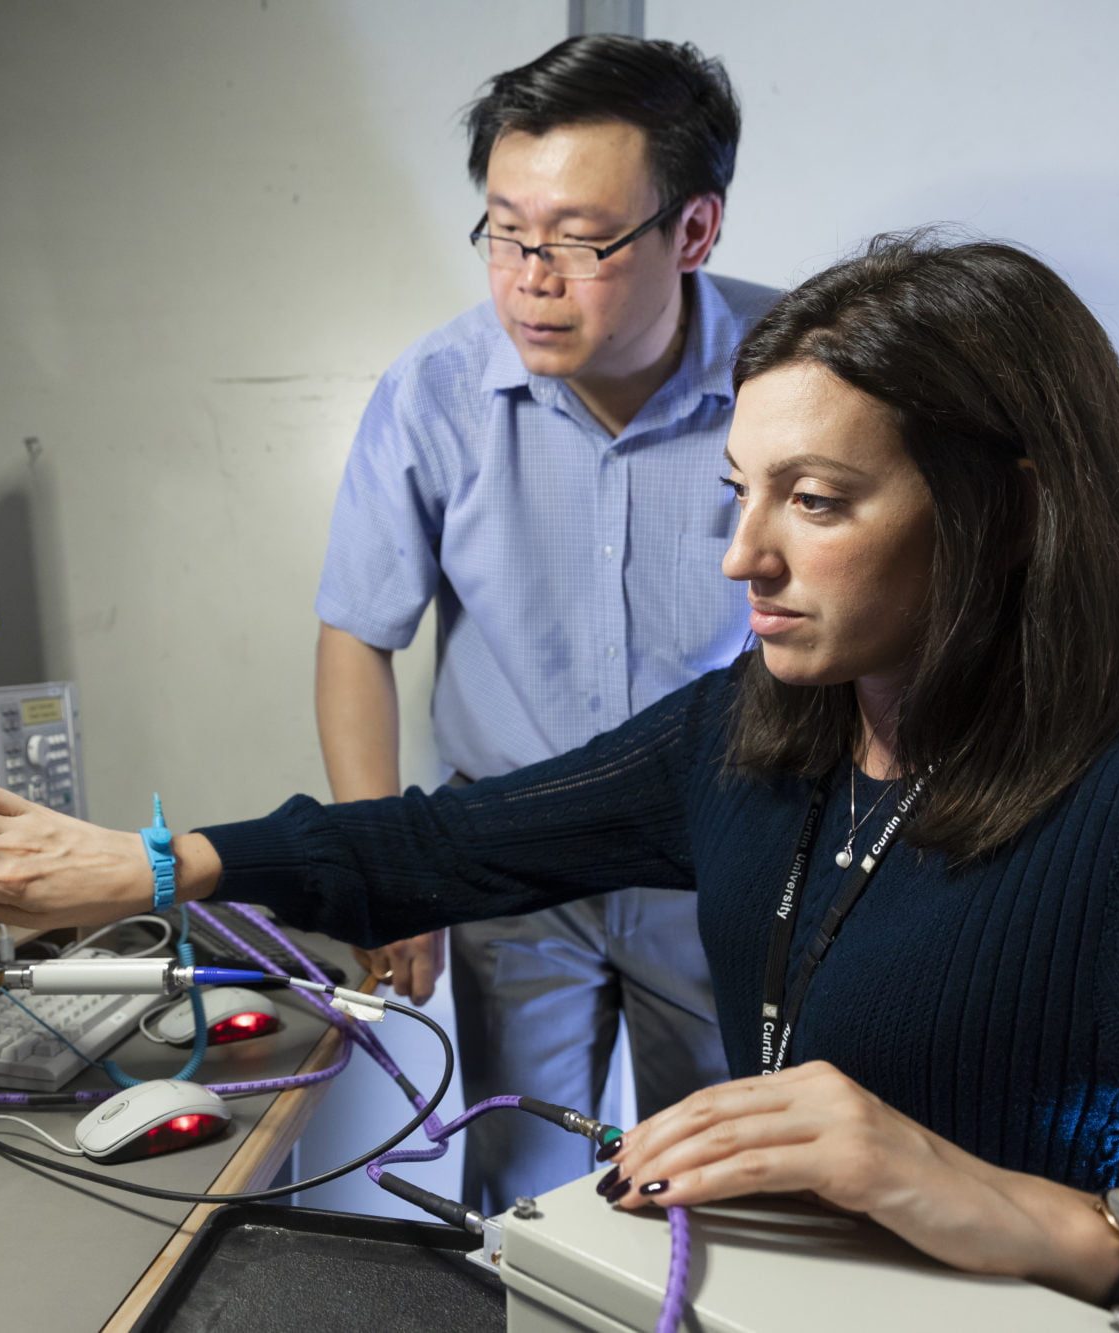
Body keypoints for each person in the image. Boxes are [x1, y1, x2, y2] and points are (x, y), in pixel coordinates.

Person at [0, 236, 1119, 1331]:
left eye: (814, 503)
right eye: (737, 493)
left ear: (1008, 513)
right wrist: (158, 863)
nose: (741, 557)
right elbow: (463, 836)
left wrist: (1072, 1233)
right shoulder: (767, 729)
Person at [313, 33, 779, 1213]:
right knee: (519, 1193)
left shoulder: (795, 375)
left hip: (721, 855)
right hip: (510, 862)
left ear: (693, 230)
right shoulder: (432, 391)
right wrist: (387, 871)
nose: (531, 276)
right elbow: (356, 634)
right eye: (505, 232)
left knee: (725, 1193)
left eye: (577, 239)